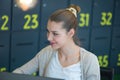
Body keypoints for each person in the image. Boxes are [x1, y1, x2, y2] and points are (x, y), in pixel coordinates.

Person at [13, 4, 100, 80]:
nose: (49, 38)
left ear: (70, 33)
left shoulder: (90, 60)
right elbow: (21, 72)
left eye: (55, 34)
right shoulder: (46, 52)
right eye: (48, 31)